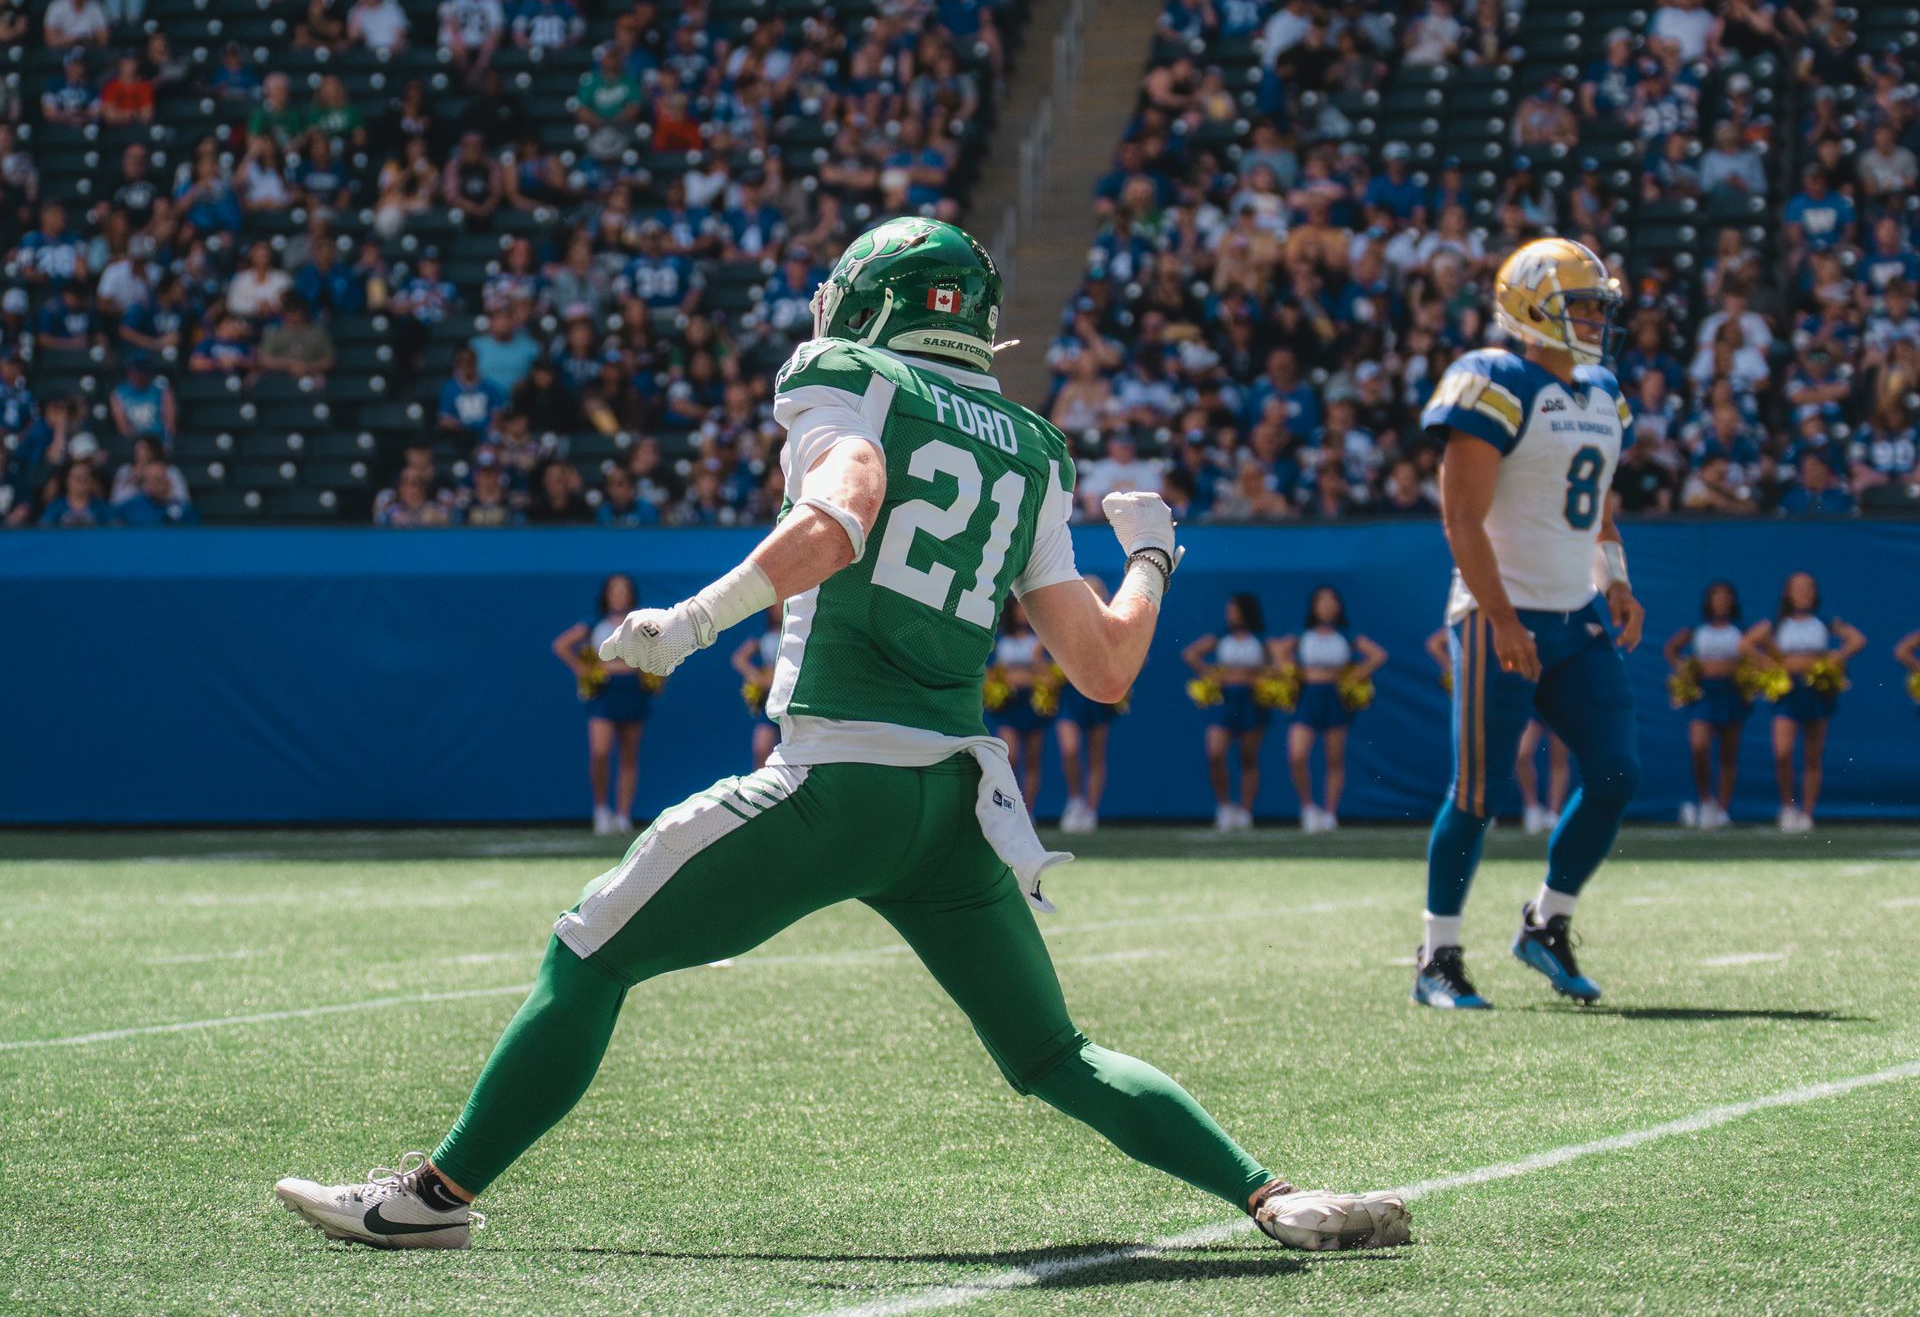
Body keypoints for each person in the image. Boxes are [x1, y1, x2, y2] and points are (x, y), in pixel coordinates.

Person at [273, 215, 1409, 1256]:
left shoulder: (847, 375)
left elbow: (841, 510)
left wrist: (696, 620)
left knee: (588, 953)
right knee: (1054, 1055)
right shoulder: (1033, 447)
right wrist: (1154, 558)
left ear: (875, 301)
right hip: (952, 808)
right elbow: (1105, 667)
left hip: (837, 785)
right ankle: (1272, 1197)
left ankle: (432, 1199)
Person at [1414, 237, 1644, 1011]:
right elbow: (1461, 515)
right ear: (1530, 306)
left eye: (1595, 305)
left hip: (1574, 612)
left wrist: (1614, 578)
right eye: (1579, 303)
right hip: (1496, 612)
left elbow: (1597, 499)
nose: (1591, 318)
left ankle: (1546, 923)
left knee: (1616, 773)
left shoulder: (1604, 391)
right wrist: (1503, 617)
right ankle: (1437, 953)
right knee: (1479, 791)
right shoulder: (1492, 379)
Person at [1744, 572, 1865, 832]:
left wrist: (1834, 659)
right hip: (1788, 692)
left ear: (1815, 592)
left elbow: (1857, 640)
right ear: (1788, 593)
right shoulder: (1777, 623)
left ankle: (1807, 813)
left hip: (1816, 691)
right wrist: (1769, 665)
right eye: (1798, 588)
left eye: (1808, 587)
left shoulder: (1825, 621)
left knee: (1812, 755)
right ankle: (1788, 807)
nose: (1803, 593)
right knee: (1783, 753)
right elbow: (1746, 644)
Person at [1274, 585, 1386, 833]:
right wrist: (1293, 672)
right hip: (1307, 697)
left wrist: (1355, 675)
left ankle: (1330, 813)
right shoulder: (1302, 633)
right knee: (1297, 755)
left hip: (1335, 697)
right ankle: (1307, 807)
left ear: (1338, 606)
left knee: (1334, 758)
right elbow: (1279, 651)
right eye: (1322, 602)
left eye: (1331, 601)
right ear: (1314, 606)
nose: (1327, 606)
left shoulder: (1346, 634)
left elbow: (1378, 655)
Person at [551, 573, 649, 835]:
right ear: (606, 595)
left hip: (633, 691)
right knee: (600, 752)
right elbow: (561, 645)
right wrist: (584, 669)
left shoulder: (641, 621)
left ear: (631, 594)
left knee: (629, 755)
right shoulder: (594, 623)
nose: (619, 595)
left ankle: (623, 815)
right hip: (604, 693)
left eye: (624, 590)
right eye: (614, 590)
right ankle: (601, 810)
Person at [1182, 592, 1283, 831]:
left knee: (1248, 757)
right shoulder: (1221, 636)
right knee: (1215, 753)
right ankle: (1225, 806)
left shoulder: (1260, 639)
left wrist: (1263, 677)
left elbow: (1279, 665)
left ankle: (1246, 812)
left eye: (1233, 610)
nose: (1229, 614)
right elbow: (1190, 653)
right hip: (1225, 700)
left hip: (1252, 701)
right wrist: (1212, 674)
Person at [1663, 581, 1752, 830]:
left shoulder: (1741, 629)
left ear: (1732, 601)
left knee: (1728, 752)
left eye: (1726, 597)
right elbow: (1671, 648)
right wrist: (1684, 670)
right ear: (1709, 601)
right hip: (1704, 694)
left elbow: (1757, 649)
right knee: (1699, 746)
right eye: (1716, 597)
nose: (1721, 601)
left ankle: (1723, 809)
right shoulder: (1698, 628)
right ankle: (1705, 800)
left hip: (1732, 693)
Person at [1055, 575, 1119, 834]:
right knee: (1069, 750)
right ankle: (1075, 800)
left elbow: (1134, 656)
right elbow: (1043, 652)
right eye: (1086, 593)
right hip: (1071, 695)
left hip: (1098, 695)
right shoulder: (1066, 623)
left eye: (1096, 593)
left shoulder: (1112, 625)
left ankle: (1091, 810)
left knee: (1095, 754)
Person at [987, 597, 1048, 809]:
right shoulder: (1002, 641)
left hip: (1033, 706)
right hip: (1009, 706)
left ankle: (1028, 810)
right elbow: (995, 674)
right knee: (1009, 757)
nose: (1022, 613)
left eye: (1026, 609)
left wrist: (1031, 668)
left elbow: (1046, 676)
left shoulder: (1040, 641)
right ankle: (1010, 808)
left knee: (1032, 760)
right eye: (1018, 609)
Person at [729, 604, 783, 769]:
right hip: (770, 703)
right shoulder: (762, 635)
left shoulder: (801, 630)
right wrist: (758, 678)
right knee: (761, 750)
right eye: (775, 605)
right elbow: (739, 659)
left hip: (795, 701)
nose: (778, 608)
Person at [1513, 720, 1570, 836]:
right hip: (1535, 707)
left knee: (1559, 759)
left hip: (1563, 707)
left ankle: (1554, 814)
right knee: (1521, 755)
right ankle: (1532, 808)